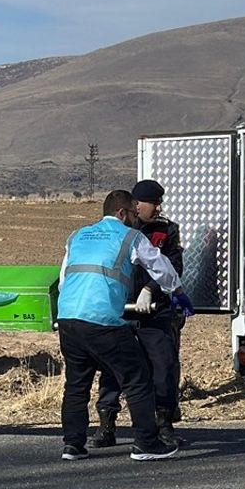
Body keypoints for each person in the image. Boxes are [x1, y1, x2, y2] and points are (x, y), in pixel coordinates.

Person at [56, 190, 195, 462]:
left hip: (69, 319)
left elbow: (63, 280)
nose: (135, 218)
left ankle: (73, 445)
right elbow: (161, 267)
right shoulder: (130, 236)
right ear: (122, 213)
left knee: (76, 384)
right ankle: (146, 443)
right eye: (132, 213)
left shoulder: (77, 236)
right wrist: (177, 292)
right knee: (137, 378)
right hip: (104, 319)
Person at [90, 178, 188, 449]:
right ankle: (106, 425)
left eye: (159, 203)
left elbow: (172, 266)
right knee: (112, 370)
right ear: (135, 204)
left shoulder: (166, 230)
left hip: (155, 312)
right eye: (152, 203)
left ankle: (163, 425)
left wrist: (150, 289)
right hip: (121, 310)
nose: (157, 208)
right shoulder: (118, 230)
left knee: (162, 368)